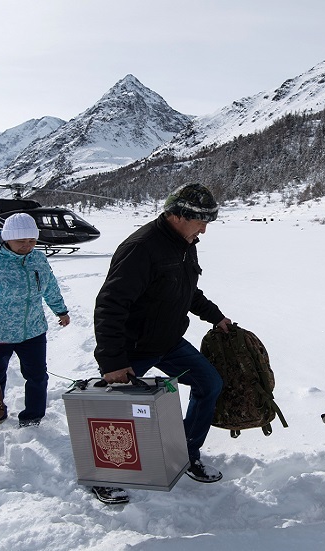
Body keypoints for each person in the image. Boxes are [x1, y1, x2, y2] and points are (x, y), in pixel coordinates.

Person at [92, 183, 231, 505]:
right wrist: (113, 361)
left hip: (167, 341)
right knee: (114, 412)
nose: (204, 231)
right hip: (132, 348)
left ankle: (184, 452)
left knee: (209, 383)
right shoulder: (142, 248)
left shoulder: (185, 243)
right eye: (201, 222)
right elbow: (110, 304)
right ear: (179, 216)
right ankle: (104, 475)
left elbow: (186, 290)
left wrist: (216, 317)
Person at [0, 212, 71, 428]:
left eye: (32, 240)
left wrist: (61, 311)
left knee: (37, 377)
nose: (27, 245)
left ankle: (33, 417)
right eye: (21, 240)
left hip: (34, 331)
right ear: (7, 237)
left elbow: (50, 286)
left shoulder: (38, 258)